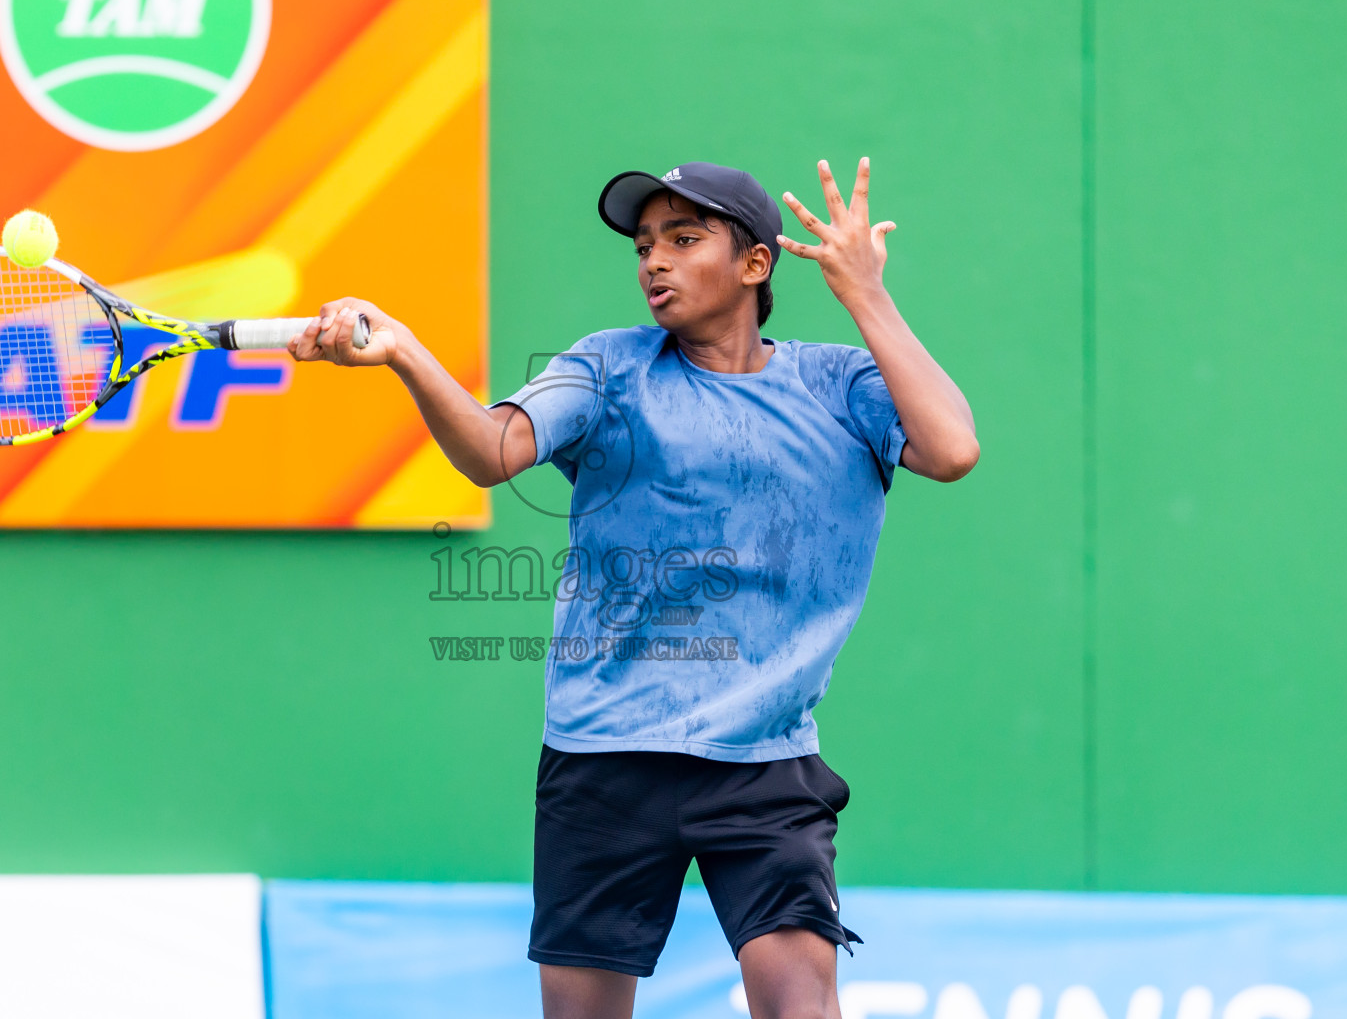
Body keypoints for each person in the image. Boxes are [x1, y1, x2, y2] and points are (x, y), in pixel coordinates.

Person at [289, 157, 979, 1019]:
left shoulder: (839, 384)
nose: (654, 261)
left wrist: (864, 294)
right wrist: (406, 353)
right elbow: (492, 451)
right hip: (606, 755)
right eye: (646, 244)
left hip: (765, 763)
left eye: (684, 240)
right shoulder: (609, 368)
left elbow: (951, 450)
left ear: (756, 265)